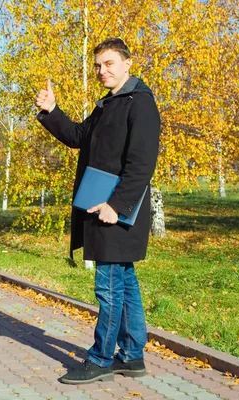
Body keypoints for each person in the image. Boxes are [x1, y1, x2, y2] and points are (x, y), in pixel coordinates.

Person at [35, 38, 161, 384]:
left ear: (127, 64)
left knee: (108, 287)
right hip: (101, 208)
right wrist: (51, 110)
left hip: (118, 212)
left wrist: (116, 206)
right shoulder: (108, 104)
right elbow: (78, 136)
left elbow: (141, 164)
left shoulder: (141, 105)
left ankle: (102, 358)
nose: (101, 71)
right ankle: (132, 356)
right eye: (97, 66)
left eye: (108, 64)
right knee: (125, 282)